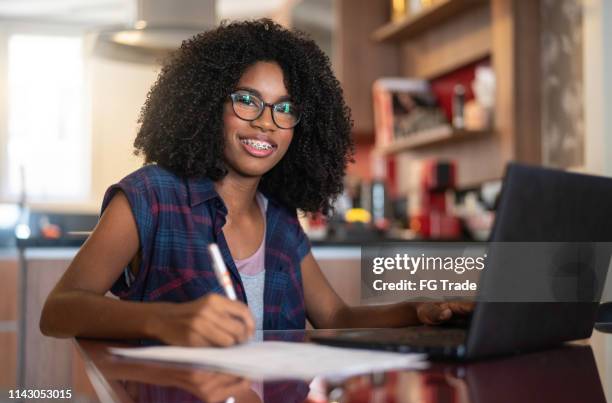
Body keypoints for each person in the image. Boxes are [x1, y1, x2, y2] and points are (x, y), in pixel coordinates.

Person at [40, 19, 471, 347]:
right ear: (208, 105)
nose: (266, 122)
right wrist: (163, 320)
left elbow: (335, 313)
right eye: (247, 101)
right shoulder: (149, 197)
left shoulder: (280, 218)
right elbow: (58, 310)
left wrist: (416, 310)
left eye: (284, 109)